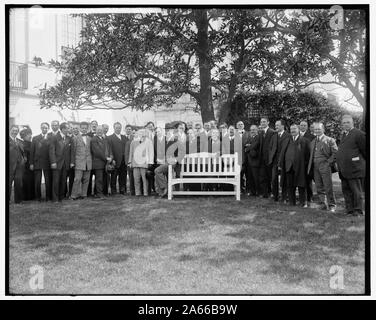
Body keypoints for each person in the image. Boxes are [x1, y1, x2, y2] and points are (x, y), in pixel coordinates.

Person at [335, 115, 366, 216]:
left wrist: (358, 161)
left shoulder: (359, 134)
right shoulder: (343, 135)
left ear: (352, 123)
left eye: (348, 122)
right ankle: (350, 210)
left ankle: (358, 210)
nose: (345, 124)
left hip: (355, 169)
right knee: (346, 191)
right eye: (343, 123)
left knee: (356, 191)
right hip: (344, 169)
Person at [307, 122, 338, 212]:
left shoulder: (330, 140)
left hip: (325, 166)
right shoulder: (312, 142)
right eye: (315, 129)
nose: (317, 131)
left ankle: (332, 205)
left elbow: (336, 153)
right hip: (315, 166)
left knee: (328, 186)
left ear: (323, 129)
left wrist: (328, 163)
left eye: (319, 129)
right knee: (319, 186)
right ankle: (322, 204)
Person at [280, 124, 310, 207]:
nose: (292, 130)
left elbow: (308, 155)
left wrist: (305, 165)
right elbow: (283, 153)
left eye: (294, 129)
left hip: (300, 167)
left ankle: (302, 202)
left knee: (301, 185)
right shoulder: (287, 140)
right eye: (291, 129)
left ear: (298, 129)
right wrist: (281, 164)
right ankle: (292, 202)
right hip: (289, 166)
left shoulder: (305, 141)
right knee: (290, 185)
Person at [154, 129, 185, 198]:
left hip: (173, 163)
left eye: (169, 133)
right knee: (157, 174)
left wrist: (176, 159)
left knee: (157, 171)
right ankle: (162, 192)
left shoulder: (176, 141)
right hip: (165, 162)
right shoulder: (166, 141)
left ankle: (164, 188)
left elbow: (182, 152)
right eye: (166, 133)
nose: (167, 134)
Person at [49, 122, 72, 202]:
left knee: (63, 181)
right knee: (56, 181)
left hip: (65, 164)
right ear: (63, 129)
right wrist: (53, 162)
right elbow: (51, 151)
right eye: (67, 128)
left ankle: (61, 197)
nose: (69, 129)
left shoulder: (69, 138)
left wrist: (70, 162)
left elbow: (70, 152)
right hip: (57, 163)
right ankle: (55, 199)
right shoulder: (55, 137)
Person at [269, 119, 290, 202]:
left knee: (284, 180)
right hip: (275, 162)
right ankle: (275, 196)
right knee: (274, 179)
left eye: (277, 125)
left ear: (282, 126)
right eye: (275, 125)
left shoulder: (288, 136)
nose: (276, 127)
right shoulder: (274, 136)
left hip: (284, 162)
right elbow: (270, 148)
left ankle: (284, 197)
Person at [70, 121, 92, 200]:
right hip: (79, 162)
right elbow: (73, 151)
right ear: (80, 128)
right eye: (82, 128)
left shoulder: (90, 139)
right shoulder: (75, 138)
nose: (84, 129)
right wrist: (72, 162)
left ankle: (84, 194)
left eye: (85, 128)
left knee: (86, 179)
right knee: (77, 179)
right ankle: (73, 195)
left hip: (88, 162)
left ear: (87, 129)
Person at [30, 122, 52, 201]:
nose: (44, 129)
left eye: (46, 127)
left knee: (48, 180)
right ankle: (38, 197)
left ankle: (48, 197)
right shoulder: (35, 138)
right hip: (37, 162)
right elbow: (32, 151)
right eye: (43, 127)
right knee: (37, 181)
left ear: (48, 128)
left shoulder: (51, 138)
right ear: (40, 128)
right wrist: (31, 163)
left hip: (47, 162)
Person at [128, 129, 154, 196]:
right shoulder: (133, 142)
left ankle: (145, 193)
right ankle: (137, 193)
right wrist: (130, 162)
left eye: (143, 133)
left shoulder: (149, 141)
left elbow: (151, 152)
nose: (142, 134)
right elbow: (131, 152)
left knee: (145, 179)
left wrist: (150, 162)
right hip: (135, 163)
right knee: (136, 179)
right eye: (140, 133)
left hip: (144, 163)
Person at [91, 125, 112, 198]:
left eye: (101, 130)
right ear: (95, 131)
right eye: (98, 130)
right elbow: (97, 152)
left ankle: (102, 192)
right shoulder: (94, 139)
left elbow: (108, 150)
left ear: (103, 131)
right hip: (98, 163)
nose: (99, 131)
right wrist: (106, 158)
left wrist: (110, 157)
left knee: (104, 179)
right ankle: (99, 194)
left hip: (104, 163)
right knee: (99, 179)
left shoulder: (104, 139)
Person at [107, 122, 127, 195]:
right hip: (115, 160)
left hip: (123, 160)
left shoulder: (124, 137)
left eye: (119, 127)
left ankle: (122, 190)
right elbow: (110, 149)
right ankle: (113, 191)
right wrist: (113, 159)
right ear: (114, 128)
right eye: (116, 127)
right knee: (114, 177)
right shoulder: (110, 138)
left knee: (123, 176)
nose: (118, 129)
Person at [299, 120, 315, 204]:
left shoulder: (312, 136)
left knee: (308, 181)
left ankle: (309, 197)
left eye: (304, 125)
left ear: (307, 127)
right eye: (301, 125)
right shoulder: (296, 135)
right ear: (299, 126)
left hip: (307, 162)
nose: (303, 127)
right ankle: (302, 197)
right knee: (300, 180)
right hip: (298, 163)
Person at [259, 117, 274, 198]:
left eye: (264, 122)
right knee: (263, 176)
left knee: (270, 177)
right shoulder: (260, 132)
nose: (262, 123)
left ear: (268, 122)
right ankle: (265, 193)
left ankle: (271, 192)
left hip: (269, 159)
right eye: (261, 122)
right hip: (262, 159)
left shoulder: (272, 132)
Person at [9, 125, 26, 203]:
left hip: (20, 166)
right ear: (10, 130)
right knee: (8, 183)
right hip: (9, 165)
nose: (15, 132)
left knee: (19, 182)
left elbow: (23, 152)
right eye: (13, 130)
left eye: (16, 130)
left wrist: (24, 158)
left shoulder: (20, 141)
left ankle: (18, 200)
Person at [244, 125, 261, 196]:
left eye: (254, 129)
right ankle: (252, 191)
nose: (252, 131)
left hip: (255, 160)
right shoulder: (250, 137)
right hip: (249, 160)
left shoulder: (258, 137)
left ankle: (258, 192)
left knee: (256, 177)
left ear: (257, 130)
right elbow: (245, 145)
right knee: (250, 177)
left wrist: (248, 148)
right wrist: (249, 146)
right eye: (251, 130)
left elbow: (254, 146)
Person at [20, 128, 35, 201]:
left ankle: (32, 196)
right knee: (26, 180)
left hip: (31, 164)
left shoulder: (31, 143)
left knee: (32, 180)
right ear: (24, 136)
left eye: (30, 134)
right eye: (28, 134)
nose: (30, 136)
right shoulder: (22, 144)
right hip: (25, 165)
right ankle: (26, 196)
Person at [87, 120, 98, 196]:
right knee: (89, 177)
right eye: (93, 124)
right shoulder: (87, 134)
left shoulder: (99, 134)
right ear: (91, 125)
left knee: (98, 177)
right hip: (89, 159)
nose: (94, 125)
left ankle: (96, 192)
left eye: (95, 124)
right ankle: (88, 192)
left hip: (97, 160)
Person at [124, 124, 135, 195]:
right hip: (128, 161)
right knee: (130, 177)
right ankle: (131, 190)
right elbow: (126, 153)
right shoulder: (125, 140)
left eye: (130, 129)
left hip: (136, 161)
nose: (128, 130)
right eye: (127, 129)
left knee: (135, 177)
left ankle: (135, 190)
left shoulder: (136, 140)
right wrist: (127, 162)